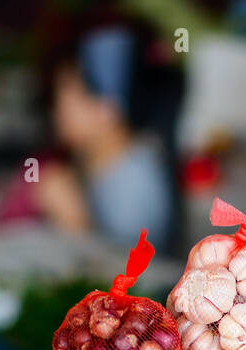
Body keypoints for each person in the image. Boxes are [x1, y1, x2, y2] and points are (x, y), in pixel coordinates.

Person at [36, 27, 173, 250]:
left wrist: (74, 225)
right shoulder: (98, 162)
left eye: (67, 92)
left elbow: (133, 279)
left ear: (107, 108)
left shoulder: (134, 186)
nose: (56, 107)